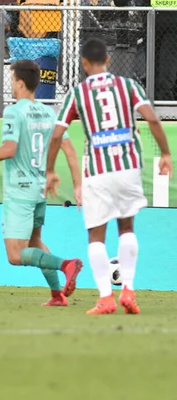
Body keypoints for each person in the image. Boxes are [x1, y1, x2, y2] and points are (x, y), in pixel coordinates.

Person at [46, 38, 173, 315]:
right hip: (127, 166)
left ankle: (106, 298)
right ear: (109, 60)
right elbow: (152, 119)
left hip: (98, 170)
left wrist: (50, 170)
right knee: (127, 228)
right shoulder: (128, 85)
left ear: (83, 63)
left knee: (96, 236)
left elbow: (57, 133)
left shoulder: (78, 93)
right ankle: (128, 289)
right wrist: (165, 153)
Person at [0, 59, 83, 306]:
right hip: (40, 190)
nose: (11, 85)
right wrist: (77, 185)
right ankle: (57, 295)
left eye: (12, 80)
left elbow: (10, 149)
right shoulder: (49, 112)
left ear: (20, 83)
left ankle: (66, 264)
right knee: (35, 243)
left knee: (15, 255)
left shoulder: (14, 111)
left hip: (20, 190)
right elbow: (71, 151)